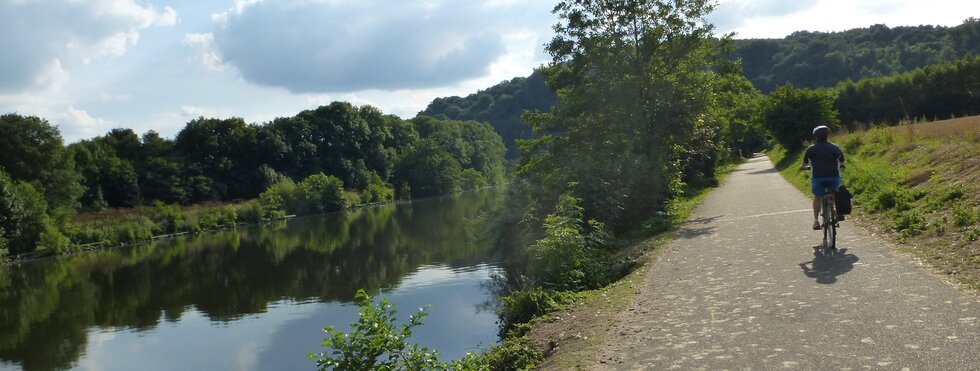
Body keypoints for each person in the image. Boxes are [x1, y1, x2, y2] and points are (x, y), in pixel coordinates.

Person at [799, 125, 845, 230]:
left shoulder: (811, 149)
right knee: (834, 194)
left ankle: (816, 221)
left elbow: (804, 165)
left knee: (817, 197)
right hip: (834, 177)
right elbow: (841, 161)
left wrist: (804, 168)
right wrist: (841, 165)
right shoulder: (835, 147)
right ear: (827, 135)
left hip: (818, 178)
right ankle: (835, 211)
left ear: (815, 137)